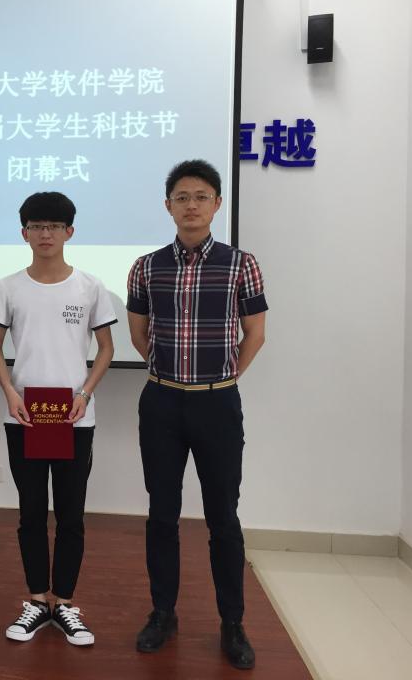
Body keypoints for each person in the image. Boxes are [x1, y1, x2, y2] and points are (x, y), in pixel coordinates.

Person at [126, 159, 267, 670]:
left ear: (217, 204)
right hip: (162, 402)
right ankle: (163, 613)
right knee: (162, 514)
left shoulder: (241, 264)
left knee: (222, 517)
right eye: (182, 197)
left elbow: (255, 333)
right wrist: (174, 376)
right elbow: (139, 334)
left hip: (218, 403)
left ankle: (233, 622)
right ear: (168, 206)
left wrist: (223, 378)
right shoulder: (146, 267)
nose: (192, 205)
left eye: (201, 196)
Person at [0, 191, 116, 647]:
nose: (46, 234)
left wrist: (85, 393)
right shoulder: (9, 287)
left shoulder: (90, 287)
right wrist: (10, 392)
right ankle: (37, 600)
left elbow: (106, 349)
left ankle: (64, 602)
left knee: (71, 514)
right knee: (30, 513)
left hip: (74, 418)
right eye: (37, 226)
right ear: (24, 233)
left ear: (69, 232)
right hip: (24, 416)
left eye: (55, 226)